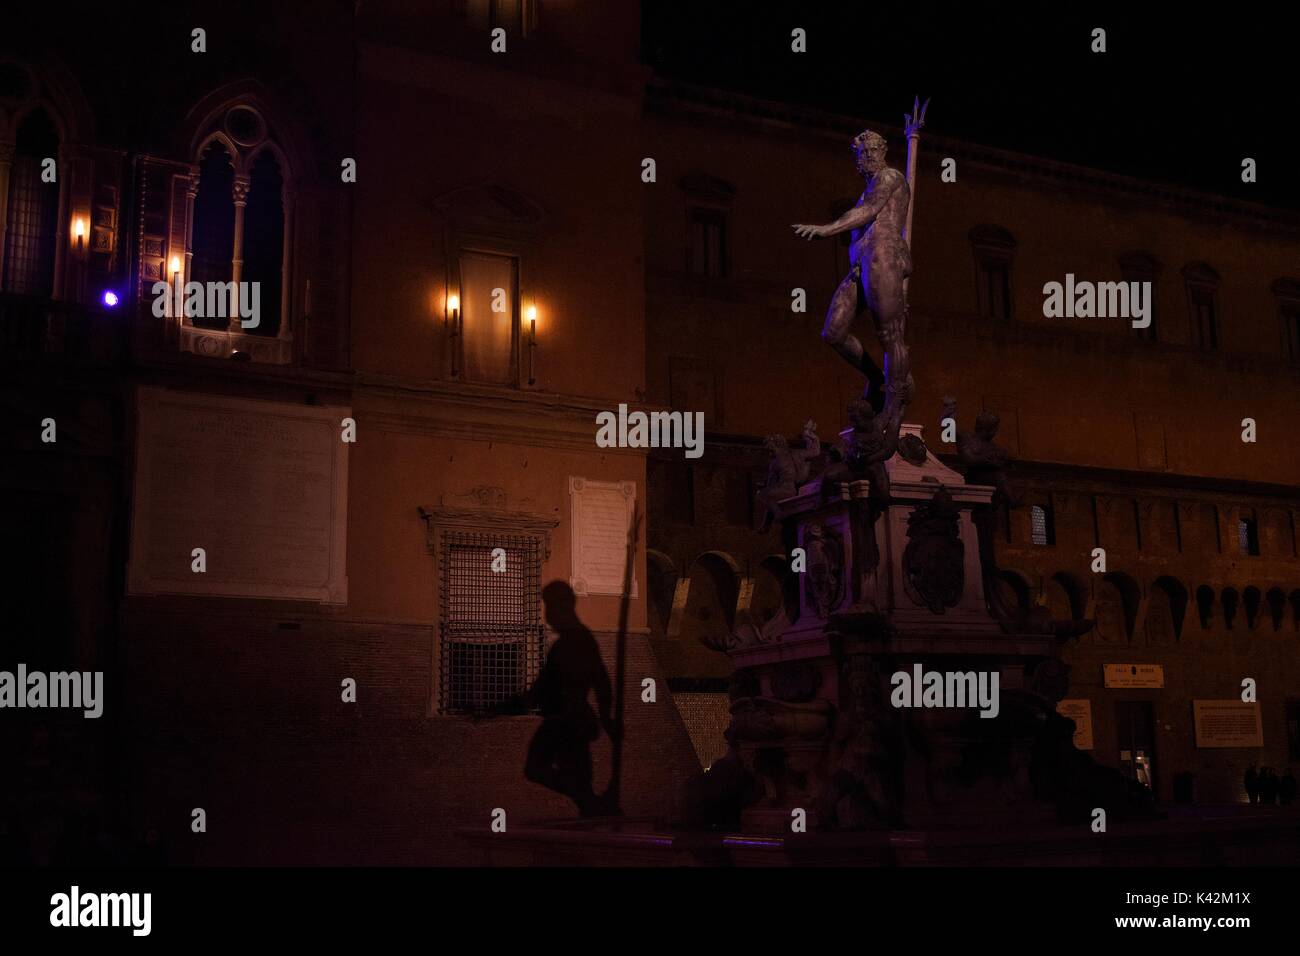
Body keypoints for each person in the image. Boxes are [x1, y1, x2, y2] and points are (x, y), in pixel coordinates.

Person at [794, 129, 913, 415]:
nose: (870, 156)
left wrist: (827, 229)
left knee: (890, 335)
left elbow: (868, 212)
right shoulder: (866, 190)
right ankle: (877, 378)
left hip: (883, 258)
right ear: (857, 159)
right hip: (860, 266)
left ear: (883, 152)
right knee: (833, 332)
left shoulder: (890, 177)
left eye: (874, 150)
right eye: (864, 152)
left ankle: (894, 406)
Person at [523, 581, 618, 817]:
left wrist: (607, 717)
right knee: (577, 785)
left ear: (562, 607)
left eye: (550, 606)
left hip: (566, 724)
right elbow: (601, 681)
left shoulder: (575, 641)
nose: (548, 614)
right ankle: (593, 805)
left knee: (540, 769)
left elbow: (600, 680)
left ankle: (593, 805)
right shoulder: (572, 641)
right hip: (570, 723)